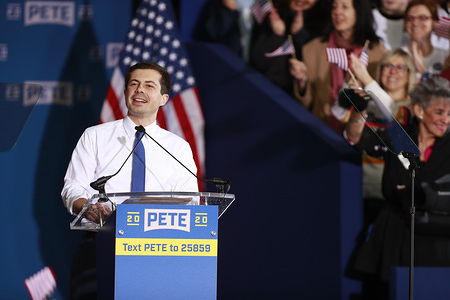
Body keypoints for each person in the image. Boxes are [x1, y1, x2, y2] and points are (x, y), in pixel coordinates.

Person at [61, 62, 199, 299]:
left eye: (149, 85)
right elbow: (73, 186)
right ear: (125, 93)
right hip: (102, 239)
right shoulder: (95, 136)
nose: (139, 90)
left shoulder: (178, 147)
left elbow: (191, 202)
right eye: (133, 84)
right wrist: (87, 207)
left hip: (160, 247)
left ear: (164, 98)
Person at [345, 76, 450, 299]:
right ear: (420, 110)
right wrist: (359, 111)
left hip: (433, 240)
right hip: (392, 235)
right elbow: (355, 138)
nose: (446, 120)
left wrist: (416, 193)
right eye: (440, 112)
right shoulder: (402, 137)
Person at [334, 48, 417, 226]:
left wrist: (366, 78)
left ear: (410, 75)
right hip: (357, 186)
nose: (393, 71)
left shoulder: (413, 108)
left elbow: (394, 113)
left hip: (392, 194)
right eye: (388, 66)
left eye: (400, 67)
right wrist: (348, 87)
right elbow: (339, 115)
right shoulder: (367, 102)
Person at [289, 0, 386, 134]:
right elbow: (305, 104)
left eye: (344, 7)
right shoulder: (312, 49)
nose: (337, 12)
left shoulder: (379, 55)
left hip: (361, 137)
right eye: (334, 7)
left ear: (359, 12)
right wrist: (302, 81)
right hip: (321, 133)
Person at [249, 0, 327, 98]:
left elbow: (309, 78)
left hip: (287, 102)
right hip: (253, 86)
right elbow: (256, 60)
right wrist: (277, 35)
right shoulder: (271, 11)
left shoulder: (322, 27)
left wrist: (299, 34)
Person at [402, 0, 448, 81]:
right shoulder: (397, 57)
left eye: (422, 18)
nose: (415, 23)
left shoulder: (446, 57)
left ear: (435, 22)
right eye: (410, 18)